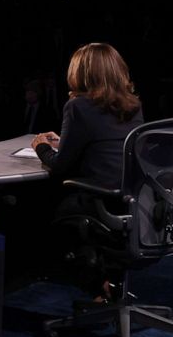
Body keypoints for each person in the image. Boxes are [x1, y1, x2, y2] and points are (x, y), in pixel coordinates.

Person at [31, 42, 144, 298]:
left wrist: (41, 147)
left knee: (46, 208)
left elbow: (60, 166)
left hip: (100, 202)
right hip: (132, 203)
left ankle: (96, 284)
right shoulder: (133, 105)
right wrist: (67, 141)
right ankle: (107, 283)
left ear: (80, 73)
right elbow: (110, 142)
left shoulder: (77, 106)